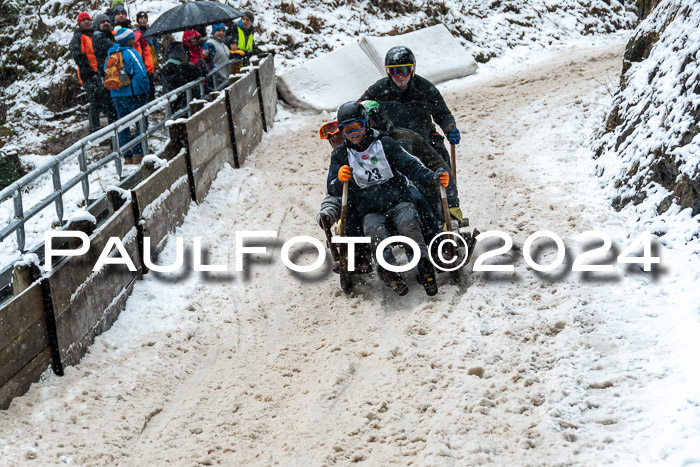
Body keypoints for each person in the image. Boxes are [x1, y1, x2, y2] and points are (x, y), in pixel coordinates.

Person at [326, 102, 450, 296]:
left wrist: (431, 177)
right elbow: (331, 188)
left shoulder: (384, 143)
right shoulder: (341, 155)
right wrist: (339, 179)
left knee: (410, 227)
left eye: (356, 126)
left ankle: (423, 267)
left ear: (366, 123)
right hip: (369, 209)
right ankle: (389, 272)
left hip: (398, 200)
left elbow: (410, 166)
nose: (353, 133)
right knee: (376, 234)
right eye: (346, 129)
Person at [359, 46, 462, 174]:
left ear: (412, 69)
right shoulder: (378, 91)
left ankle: (449, 193)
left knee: (445, 171)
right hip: (392, 143)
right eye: (395, 71)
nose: (400, 76)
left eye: (404, 70)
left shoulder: (425, 89)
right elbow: (358, 111)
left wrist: (449, 129)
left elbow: (443, 115)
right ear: (388, 72)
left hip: (426, 142)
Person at [361, 99, 463, 224]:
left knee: (423, 192)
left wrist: (452, 202)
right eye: (358, 123)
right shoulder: (355, 149)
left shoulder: (408, 138)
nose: (362, 127)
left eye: (365, 121)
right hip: (375, 194)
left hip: (410, 189)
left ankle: (434, 226)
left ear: (377, 117)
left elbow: (438, 165)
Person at [105, 27, 150, 165]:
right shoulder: (132, 53)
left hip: (116, 95)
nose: (134, 40)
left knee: (122, 124)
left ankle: (127, 156)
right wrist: (144, 91)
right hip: (133, 94)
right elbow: (141, 73)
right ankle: (138, 152)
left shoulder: (110, 55)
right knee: (141, 122)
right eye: (132, 38)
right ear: (128, 40)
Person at [69, 12, 111, 134]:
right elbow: (77, 55)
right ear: (79, 23)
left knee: (104, 101)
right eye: (83, 20)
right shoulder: (78, 36)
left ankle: (106, 130)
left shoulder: (94, 35)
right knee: (95, 102)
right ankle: (95, 132)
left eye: (88, 20)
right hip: (89, 76)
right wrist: (89, 72)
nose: (86, 22)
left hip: (99, 73)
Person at [113, 4, 155, 100]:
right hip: (122, 68)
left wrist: (149, 67)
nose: (121, 15)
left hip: (139, 66)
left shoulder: (136, 30)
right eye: (118, 14)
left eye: (123, 13)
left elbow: (146, 49)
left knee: (144, 93)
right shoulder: (111, 32)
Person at [161, 42, 208, 113]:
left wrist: (201, 66)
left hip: (181, 105)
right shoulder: (181, 69)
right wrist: (202, 68)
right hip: (183, 105)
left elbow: (201, 74)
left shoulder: (168, 69)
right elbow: (200, 74)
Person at [90, 13, 118, 127]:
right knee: (111, 108)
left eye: (107, 21)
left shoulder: (107, 35)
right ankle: (115, 138)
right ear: (97, 25)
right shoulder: (99, 37)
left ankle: (118, 137)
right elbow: (115, 47)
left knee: (114, 107)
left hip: (112, 74)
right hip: (107, 76)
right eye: (102, 22)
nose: (106, 23)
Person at [203, 23, 231, 88]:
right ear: (214, 32)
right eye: (218, 30)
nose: (221, 33)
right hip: (216, 79)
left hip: (225, 78)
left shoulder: (224, 45)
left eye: (223, 31)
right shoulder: (210, 43)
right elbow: (209, 61)